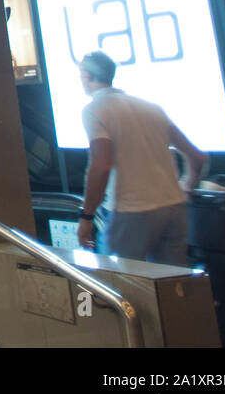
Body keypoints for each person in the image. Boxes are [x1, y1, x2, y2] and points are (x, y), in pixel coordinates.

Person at [75, 50, 207, 265]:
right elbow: (197, 157)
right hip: (174, 208)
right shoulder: (151, 108)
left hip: (131, 212)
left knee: (120, 286)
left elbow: (102, 165)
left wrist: (87, 217)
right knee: (171, 288)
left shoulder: (94, 110)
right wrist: (187, 186)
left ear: (88, 76)